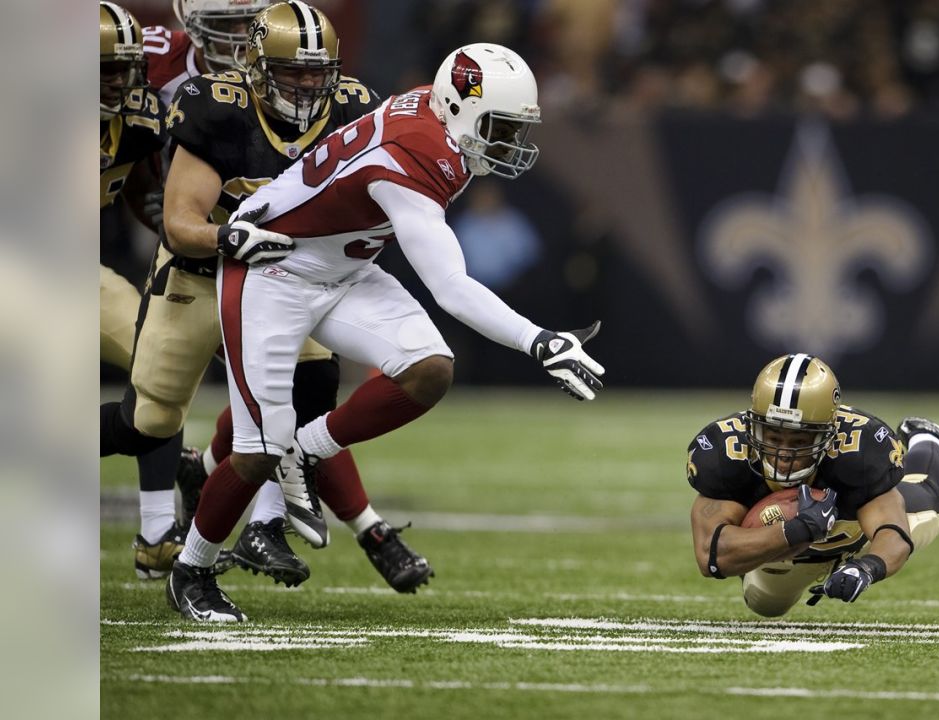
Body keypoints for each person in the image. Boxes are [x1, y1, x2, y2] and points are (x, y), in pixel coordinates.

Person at [166, 41, 606, 622]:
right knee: (258, 450)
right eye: (500, 127)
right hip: (270, 270)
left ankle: (311, 448)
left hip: (341, 267)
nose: (509, 144)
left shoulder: (439, 117)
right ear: (461, 107)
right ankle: (190, 571)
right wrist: (539, 340)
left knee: (428, 369)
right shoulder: (417, 155)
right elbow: (450, 286)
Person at [104, 1, 430, 593]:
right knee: (146, 422)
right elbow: (180, 224)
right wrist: (229, 236)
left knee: (308, 391)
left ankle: (255, 529)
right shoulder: (213, 105)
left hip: (280, 281)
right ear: (257, 69)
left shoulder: (354, 107)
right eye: (292, 71)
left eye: (316, 72)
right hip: (199, 274)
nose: (307, 85)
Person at [686, 353, 939, 617]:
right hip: (784, 546)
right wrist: (797, 530)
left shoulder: (860, 452)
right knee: (766, 605)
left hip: (853, 530)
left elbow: (893, 535)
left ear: (829, 433)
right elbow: (710, 556)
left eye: (800, 439)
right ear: (752, 425)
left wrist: (867, 568)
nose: (784, 453)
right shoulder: (724, 451)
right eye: (773, 436)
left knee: (930, 507)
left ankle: (927, 442)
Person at [98, 1, 190, 579]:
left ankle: (158, 533)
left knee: (157, 365)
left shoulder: (139, 115)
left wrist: (159, 214)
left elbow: (136, 183)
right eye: (105, 68)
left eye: (127, 67)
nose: (120, 80)